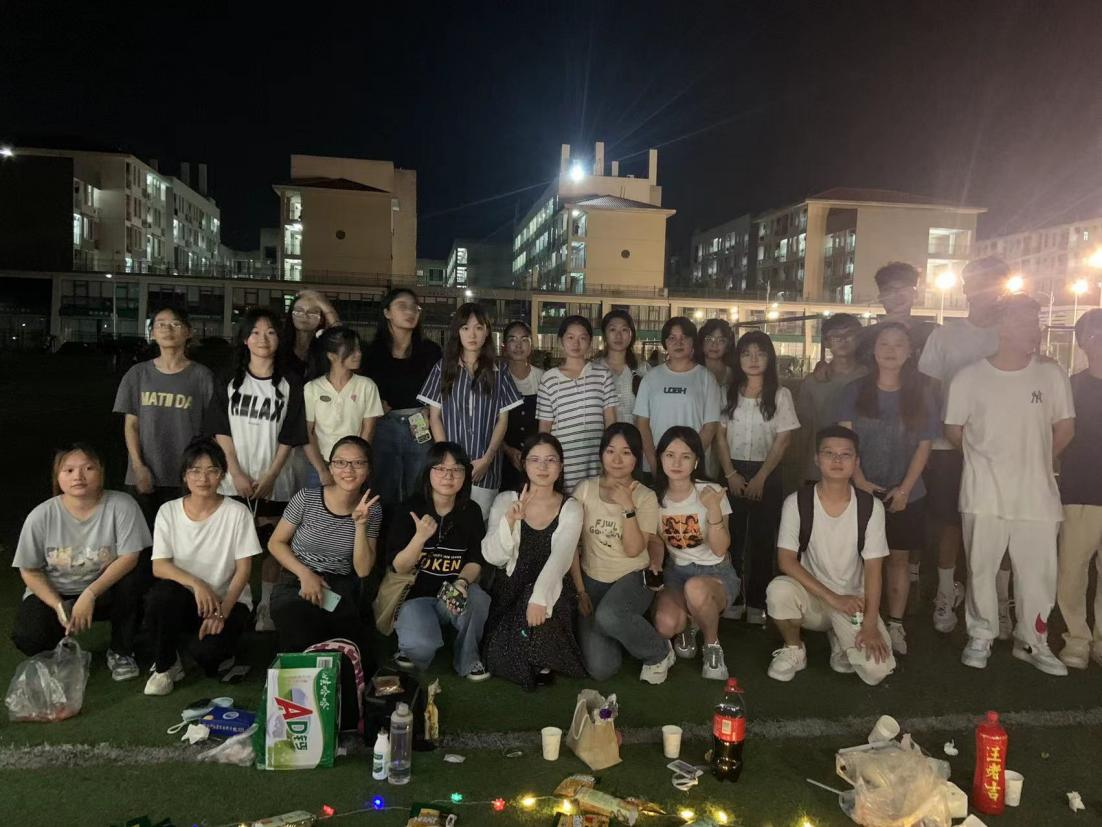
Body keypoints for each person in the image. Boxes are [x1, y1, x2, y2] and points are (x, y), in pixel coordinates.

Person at [945, 294, 1074, 675]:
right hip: (983, 493)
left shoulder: (1051, 374)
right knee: (981, 568)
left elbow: (1065, 428)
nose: (1033, 329)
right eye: (1023, 321)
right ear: (1002, 326)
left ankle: (1032, 640)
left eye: (1035, 321)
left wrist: (1035, 461)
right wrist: (985, 459)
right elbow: (954, 430)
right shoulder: (969, 377)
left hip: (1037, 494)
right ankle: (980, 634)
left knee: (1038, 574)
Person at [765, 425, 896, 685]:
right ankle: (794, 648)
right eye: (829, 453)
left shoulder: (871, 507)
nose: (837, 460)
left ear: (856, 462)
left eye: (846, 454)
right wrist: (833, 598)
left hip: (852, 603)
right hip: (813, 596)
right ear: (817, 459)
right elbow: (786, 561)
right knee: (778, 591)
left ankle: (839, 638)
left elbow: (874, 569)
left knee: (876, 671)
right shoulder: (797, 502)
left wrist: (870, 623)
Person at [837, 323, 938, 655]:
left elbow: (925, 445)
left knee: (898, 558)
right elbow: (845, 440)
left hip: (907, 493)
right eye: (884, 343)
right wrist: (860, 481)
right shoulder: (855, 390)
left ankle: (895, 624)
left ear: (909, 352)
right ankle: (856, 621)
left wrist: (905, 490)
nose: (891, 350)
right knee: (857, 559)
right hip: (860, 489)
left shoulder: (921, 393)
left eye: (899, 344)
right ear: (874, 350)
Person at [918, 257, 1006, 634]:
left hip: (1000, 449)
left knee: (997, 522)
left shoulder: (1008, 334)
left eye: (993, 282)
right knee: (950, 522)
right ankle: (945, 593)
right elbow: (929, 391)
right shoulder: (945, 335)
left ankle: (997, 600)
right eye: (977, 282)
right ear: (966, 288)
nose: (985, 289)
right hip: (947, 447)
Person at [11, 444, 150, 682]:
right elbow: (30, 570)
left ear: (101, 472)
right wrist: (58, 605)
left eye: (88, 468)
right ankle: (61, 651)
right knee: (28, 635)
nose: (78, 476)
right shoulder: (41, 516)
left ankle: (121, 650)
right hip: (58, 592)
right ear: (58, 476)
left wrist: (90, 594)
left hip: (104, 590)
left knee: (136, 576)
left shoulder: (122, 505)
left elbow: (130, 556)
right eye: (69, 470)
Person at [209, 307, 308, 631]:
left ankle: (265, 606)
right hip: (233, 480)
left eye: (270, 332)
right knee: (234, 544)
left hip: (276, 480)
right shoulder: (229, 379)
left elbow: (291, 433)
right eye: (255, 332)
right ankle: (237, 602)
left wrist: (272, 475)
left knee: (273, 546)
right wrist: (235, 471)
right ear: (245, 339)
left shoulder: (290, 382)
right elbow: (220, 427)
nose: (263, 339)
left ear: (279, 339)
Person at [144, 439, 261, 695]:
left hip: (228, 601)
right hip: (186, 599)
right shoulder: (168, 511)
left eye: (212, 471)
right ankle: (166, 666)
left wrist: (222, 611)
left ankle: (201, 645)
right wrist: (197, 584)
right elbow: (159, 566)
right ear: (184, 475)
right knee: (161, 596)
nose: (203, 478)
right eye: (195, 471)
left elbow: (244, 570)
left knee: (209, 657)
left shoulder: (237, 512)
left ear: (222, 475)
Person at [482, 434, 587, 689]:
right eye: (535, 460)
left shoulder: (571, 507)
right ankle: (531, 655)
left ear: (561, 466)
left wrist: (539, 598)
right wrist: (509, 521)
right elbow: (492, 556)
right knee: (496, 652)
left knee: (539, 624)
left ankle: (538, 656)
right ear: (524, 464)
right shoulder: (506, 500)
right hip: (511, 587)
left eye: (551, 460)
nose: (542, 467)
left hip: (552, 588)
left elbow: (562, 556)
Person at [570, 423, 672, 684]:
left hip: (633, 577)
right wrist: (580, 591)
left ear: (636, 457)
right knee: (601, 669)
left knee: (609, 615)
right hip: (593, 580)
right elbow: (569, 545)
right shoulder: (585, 490)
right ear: (601, 454)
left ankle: (659, 652)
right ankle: (623, 629)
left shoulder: (645, 497)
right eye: (610, 451)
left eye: (626, 452)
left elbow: (634, 549)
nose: (617, 460)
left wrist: (628, 508)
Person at [268, 436, 382, 667]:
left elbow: (362, 570)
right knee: (298, 620)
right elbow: (276, 543)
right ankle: (296, 676)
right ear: (330, 467)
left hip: (339, 584)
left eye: (358, 463)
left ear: (368, 469)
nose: (348, 470)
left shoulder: (373, 509)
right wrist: (305, 575)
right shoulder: (306, 498)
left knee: (350, 645)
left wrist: (360, 525)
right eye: (340, 462)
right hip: (296, 578)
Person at [385, 442, 491, 679]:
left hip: (450, 594)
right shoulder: (409, 508)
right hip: (414, 596)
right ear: (428, 471)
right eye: (440, 468)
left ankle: (468, 659)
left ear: (465, 475)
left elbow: (475, 559)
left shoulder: (471, 511)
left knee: (478, 598)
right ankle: (411, 643)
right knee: (421, 647)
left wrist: (462, 582)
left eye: (456, 469)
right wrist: (419, 538)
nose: (448, 476)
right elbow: (399, 566)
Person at [717, 330, 800, 625]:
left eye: (760, 353)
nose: (753, 360)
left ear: (769, 358)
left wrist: (762, 476)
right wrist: (730, 474)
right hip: (733, 471)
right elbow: (720, 436)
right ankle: (733, 598)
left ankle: (757, 602)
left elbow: (783, 439)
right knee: (732, 539)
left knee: (763, 539)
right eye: (746, 353)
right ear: (738, 359)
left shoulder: (780, 394)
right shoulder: (727, 392)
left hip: (768, 472)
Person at [113, 305, 214, 528]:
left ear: (188, 332)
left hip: (188, 475)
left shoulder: (202, 376)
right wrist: (138, 467)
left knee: (185, 538)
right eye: (160, 324)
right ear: (152, 333)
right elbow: (131, 426)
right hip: (146, 474)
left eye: (175, 324)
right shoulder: (137, 374)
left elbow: (211, 429)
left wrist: (201, 470)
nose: (167, 329)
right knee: (143, 540)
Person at [420, 303, 523, 518]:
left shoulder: (499, 371)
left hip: (485, 467)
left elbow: (502, 419)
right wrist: (447, 460)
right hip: (449, 469)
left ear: (487, 332)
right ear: (457, 332)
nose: (472, 334)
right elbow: (435, 417)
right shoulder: (443, 367)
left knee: (480, 522)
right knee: (447, 520)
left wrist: (488, 458)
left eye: (478, 327)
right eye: (465, 328)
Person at [651, 427, 738, 680]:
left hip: (715, 573)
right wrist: (655, 563)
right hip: (677, 572)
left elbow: (720, 548)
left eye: (685, 456)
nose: (677, 463)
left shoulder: (711, 491)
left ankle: (712, 645)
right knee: (666, 625)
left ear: (697, 461)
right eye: (670, 455)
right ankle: (690, 623)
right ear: (660, 458)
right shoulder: (654, 498)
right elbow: (655, 539)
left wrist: (713, 509)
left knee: (696, 589)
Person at [363, 288, 443, 508]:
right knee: (382, 487)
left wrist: (430, 409)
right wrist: (374, 405)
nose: (410, 312)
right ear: (387, 312)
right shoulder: (371, 353)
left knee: (419, 486)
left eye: (415, 308)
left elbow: (441, 388)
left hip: (420, 423)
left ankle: (416, 528)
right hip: (382, 424)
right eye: (402, 306)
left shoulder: (430, 351)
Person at [1057, 308, 1102, 669]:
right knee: (1072, 570)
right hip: (1079, 489)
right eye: (1093, 334)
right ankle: (1077, 638)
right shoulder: (1069, 387)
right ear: (1082, 342)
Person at [537, 316, 618, 493]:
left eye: (582, 338)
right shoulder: (548, 379)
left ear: (590, 342)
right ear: (561, 341)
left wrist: (610, 460)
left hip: (595, 461)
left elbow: (611, 422)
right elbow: (544, 429)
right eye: (570, 337)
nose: (576, 343)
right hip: (563, 463)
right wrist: (546, 463)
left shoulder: (602, 375)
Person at [634, 317, 722, 474]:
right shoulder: (651, 378)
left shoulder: (707, 378)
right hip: (656, 466)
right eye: (672, 338)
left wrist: (691, 461)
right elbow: (642, 423)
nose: (678, 343)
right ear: (665, 343)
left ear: (693, 342)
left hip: (693, 468)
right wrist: (654, 462)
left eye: (684, 337)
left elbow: (710, 426)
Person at [303, 326, 383, 487]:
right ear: (331, 355)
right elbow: (308, 432)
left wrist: (358, 463)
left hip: (354, 465)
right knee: (318, 502)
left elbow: (368, 430)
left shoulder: (367, 386)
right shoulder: (312, 388)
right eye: (351, 350)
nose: (358, 354)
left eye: (358, 349)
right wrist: (322, 470)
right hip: (321, 462)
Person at [796, 313, 867, 482]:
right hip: (819, 469)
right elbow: (804, 428)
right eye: (836, 336)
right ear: (826, 342)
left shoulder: (871, 378)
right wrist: (800, 467)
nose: (843, 340)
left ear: (859, 339)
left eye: (849, 334)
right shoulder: (812, 382)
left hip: (863, 469)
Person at [855, 262, 938, 365]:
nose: (897, 295)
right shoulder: (863, 338)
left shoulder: (932, 334)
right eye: (890, 290)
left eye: (904, 289)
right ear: (880, 297)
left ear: (915, 294)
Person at [500, 320, 544, 493]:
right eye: (512, 339)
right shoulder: (496, 378)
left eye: (524, 339)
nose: (518, 345)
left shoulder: (543, 378)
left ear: (532, 345)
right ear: (504, 346)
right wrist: (507, 450)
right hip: (501, 459)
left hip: (537, 459)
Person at [696, 318, 737, 481]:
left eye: (721, 340)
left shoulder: (734, 375)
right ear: (701, 342)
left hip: (728, 440)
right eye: (709, 339)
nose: (715, 344)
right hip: (699, 436)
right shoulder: (693, 372)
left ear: (728, 345)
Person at [593, 309, 649, 424]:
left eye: (624, 330)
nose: (618, 336)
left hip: (636, 434)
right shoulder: (593, 369)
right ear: (604, 335)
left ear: (631, 335)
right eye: (612, 330)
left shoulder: (643, 369)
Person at [280, 289, 341, 380]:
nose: (305, 316)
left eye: (312, 312)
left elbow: (342, 336)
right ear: (291, 315)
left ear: (321, 319)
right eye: (299, 311)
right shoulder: (280, 345)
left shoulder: (324, 348)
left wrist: (321, 301)